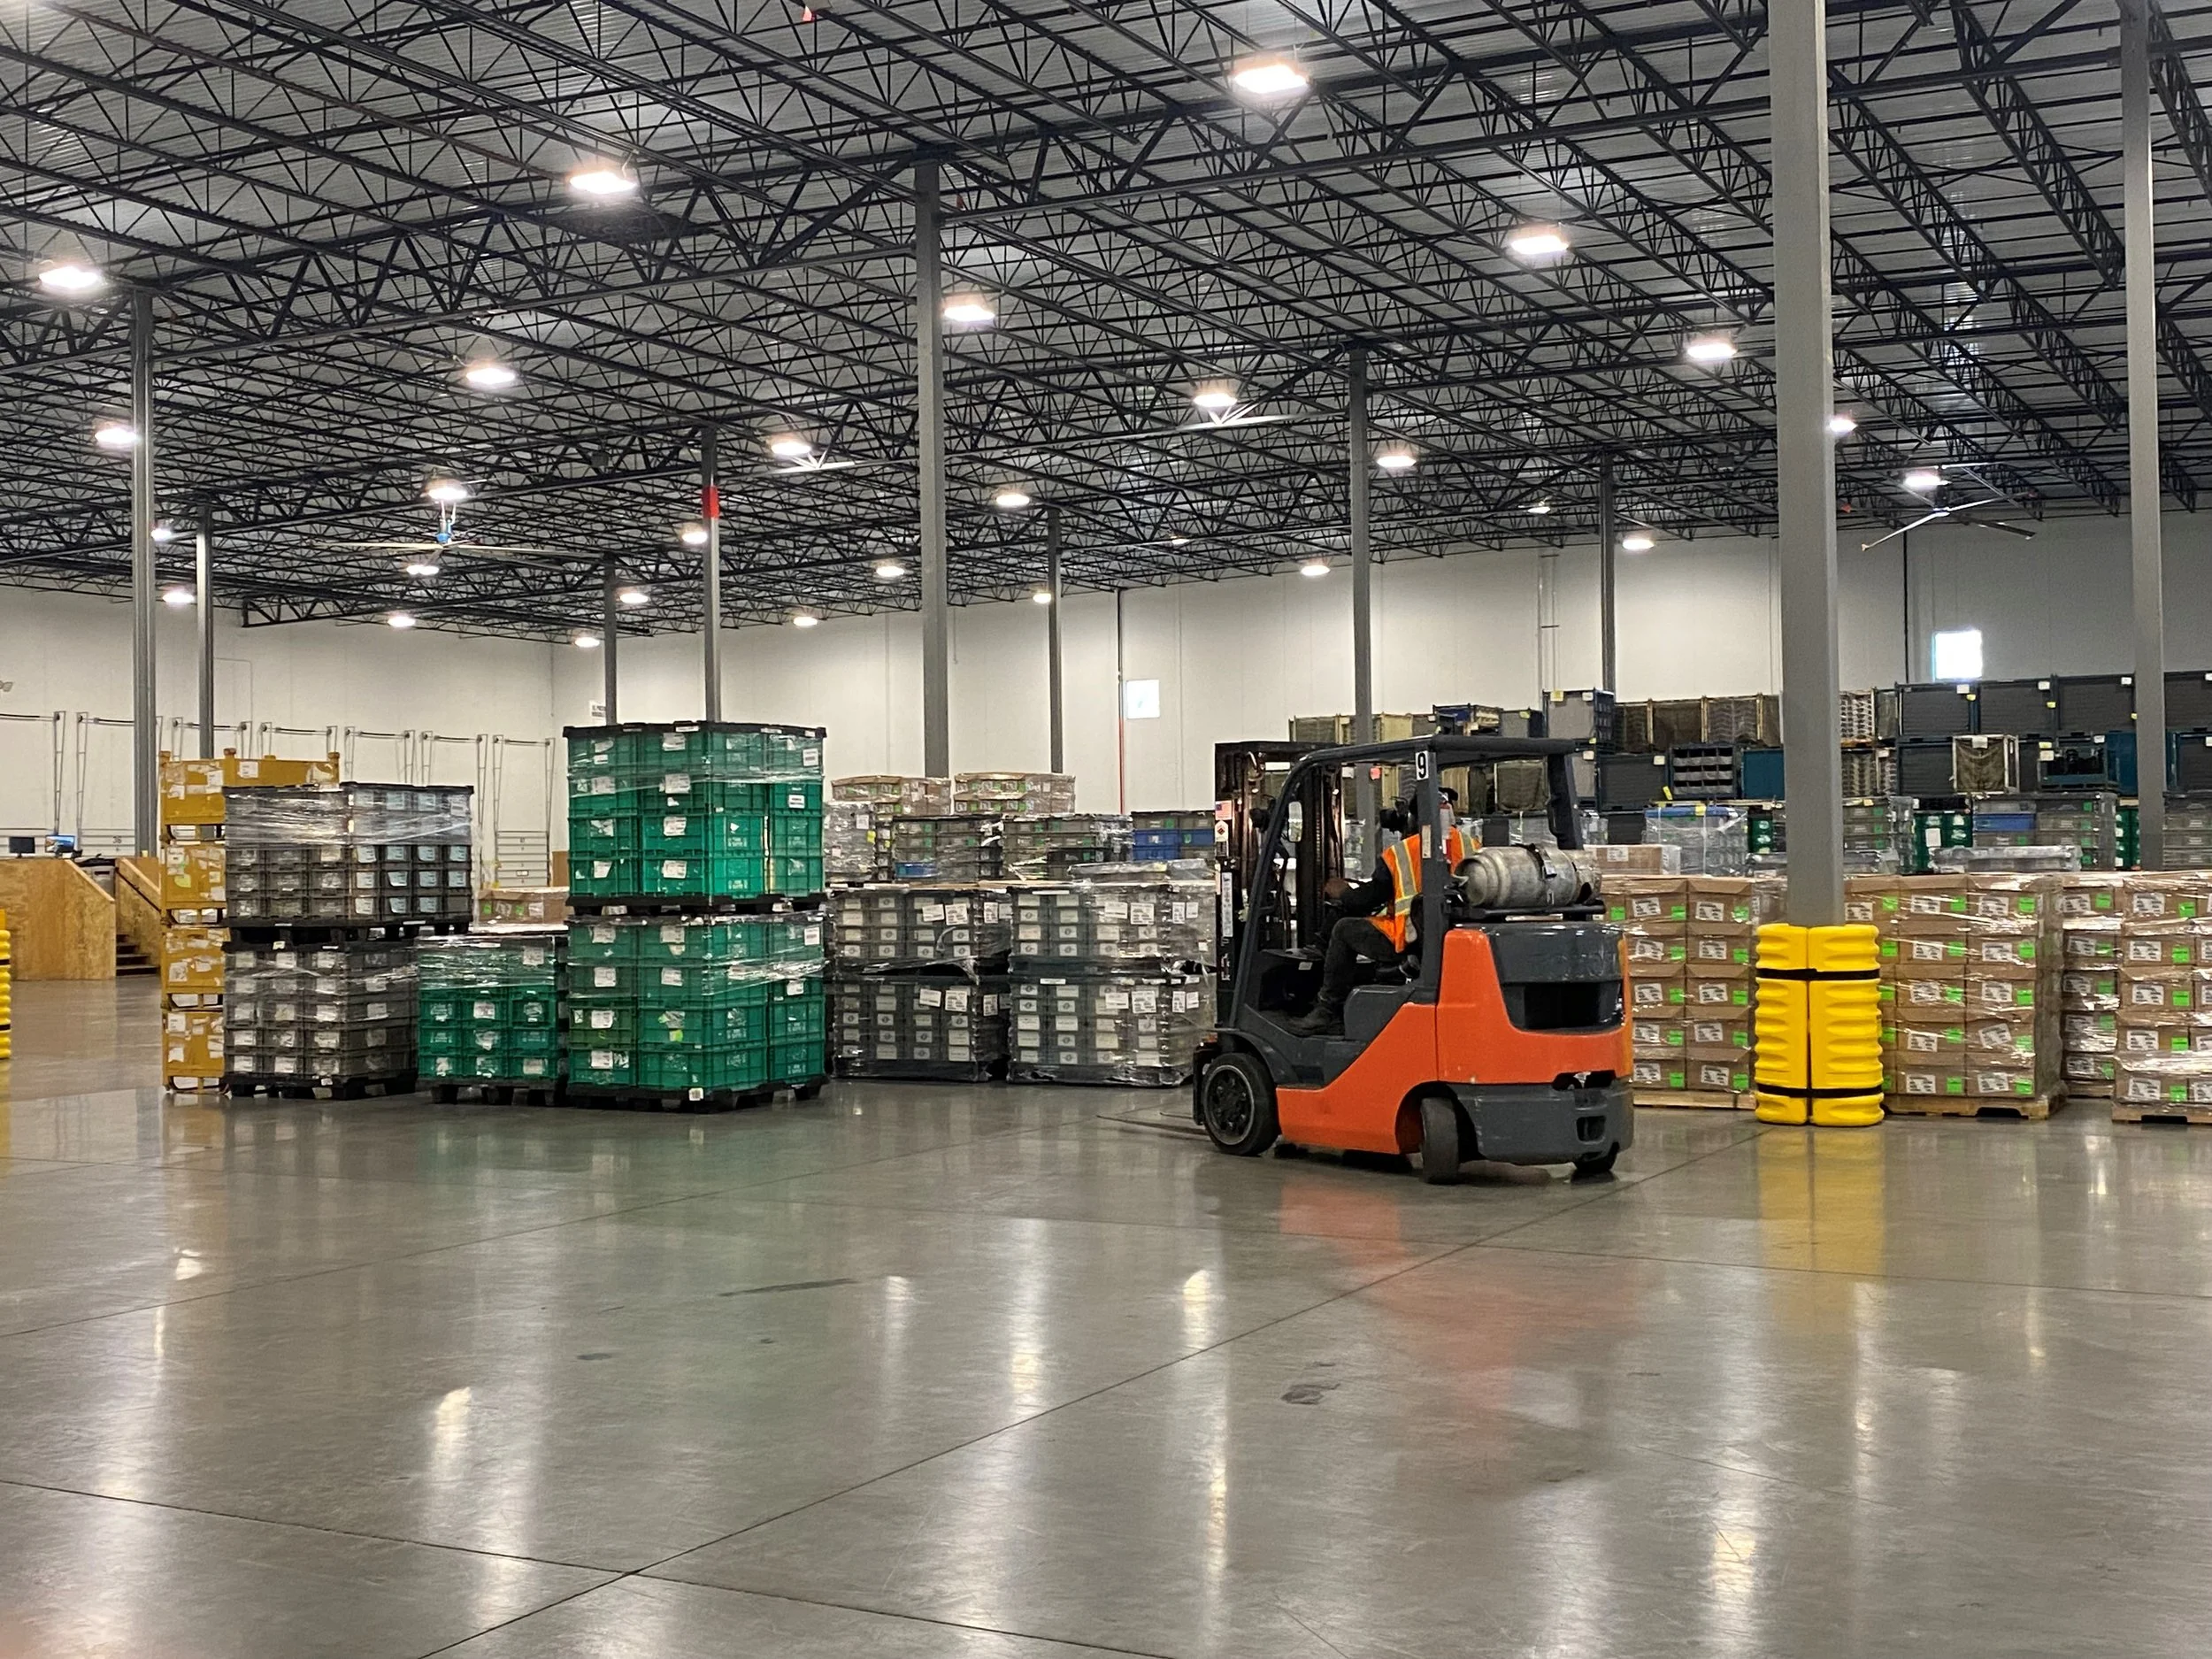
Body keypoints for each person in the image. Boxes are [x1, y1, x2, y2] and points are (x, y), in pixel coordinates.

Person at [1290, 802, 1479, 1034]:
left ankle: (1327, 1009)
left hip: (1412, 939)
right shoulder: (1472, 845)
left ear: (1412, 819)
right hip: (1454, 934)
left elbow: (1366, 900)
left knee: (1343, 929)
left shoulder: (1401, 853)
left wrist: (1344, 893)